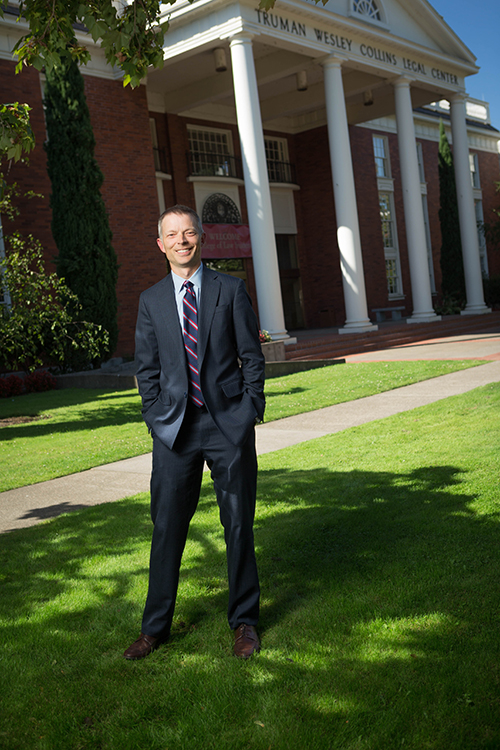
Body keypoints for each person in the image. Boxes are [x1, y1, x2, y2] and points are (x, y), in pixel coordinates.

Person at [124, 205, 265, 660]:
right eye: (172, 234)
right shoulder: (150, 300)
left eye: (188, 232)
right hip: (174, 433)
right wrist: (154, 416)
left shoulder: (231, 289)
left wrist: (250, 411)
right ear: (161, 244)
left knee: (239, 523)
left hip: (228, 426)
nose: (181, 240)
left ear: (200, 238)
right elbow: (146, 369)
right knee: (166, 528)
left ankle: (245, 622)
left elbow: (252, 357)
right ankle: (155, 628)